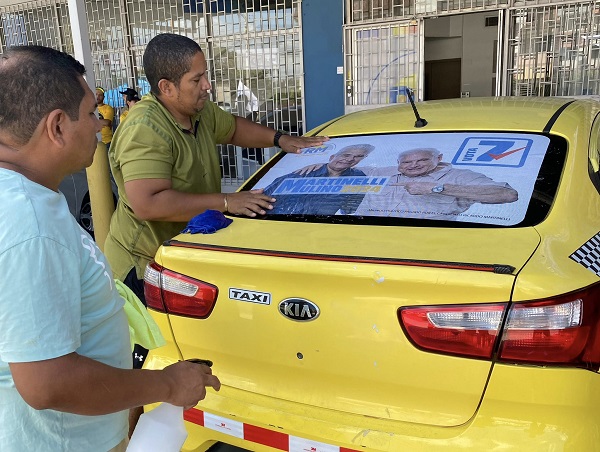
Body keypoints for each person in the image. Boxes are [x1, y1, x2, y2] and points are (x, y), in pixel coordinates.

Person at [0, 45, 220, 452]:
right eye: (90, 114)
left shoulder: (23, 200)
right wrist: (169, 384)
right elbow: (47, 382)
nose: (100, 124)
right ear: (57, 127)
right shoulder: (30, 222)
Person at [104, 33, 327, 370]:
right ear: (166, 87)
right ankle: (138, 421)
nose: (208, 85)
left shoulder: (198, 111)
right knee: (148, 361)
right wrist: (227, 201)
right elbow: (147, 203)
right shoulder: (145, 128)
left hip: (186, 254)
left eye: (205, 74)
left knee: (193, 352)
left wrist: (282, 140)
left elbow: (233, 129)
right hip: (144, 266)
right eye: (197, 79)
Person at [353, 147, 518, 219]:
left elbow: (507, 194)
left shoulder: (460, 176)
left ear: (439, 159)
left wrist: (438, 188)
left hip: (426, 244)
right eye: (406, 163)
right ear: (398, 162)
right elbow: (335, 169)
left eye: (422, 160)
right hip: (364, 236)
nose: (413, 165)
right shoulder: (382, 172)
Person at [263, 144, 374, 215]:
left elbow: (349, 210)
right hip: (281, 225)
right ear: (332, 157)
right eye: (346, 155)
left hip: (321, 231)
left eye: (358, 156)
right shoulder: (303, 173)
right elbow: (264, 199)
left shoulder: (359, 177)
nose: (350, 159)